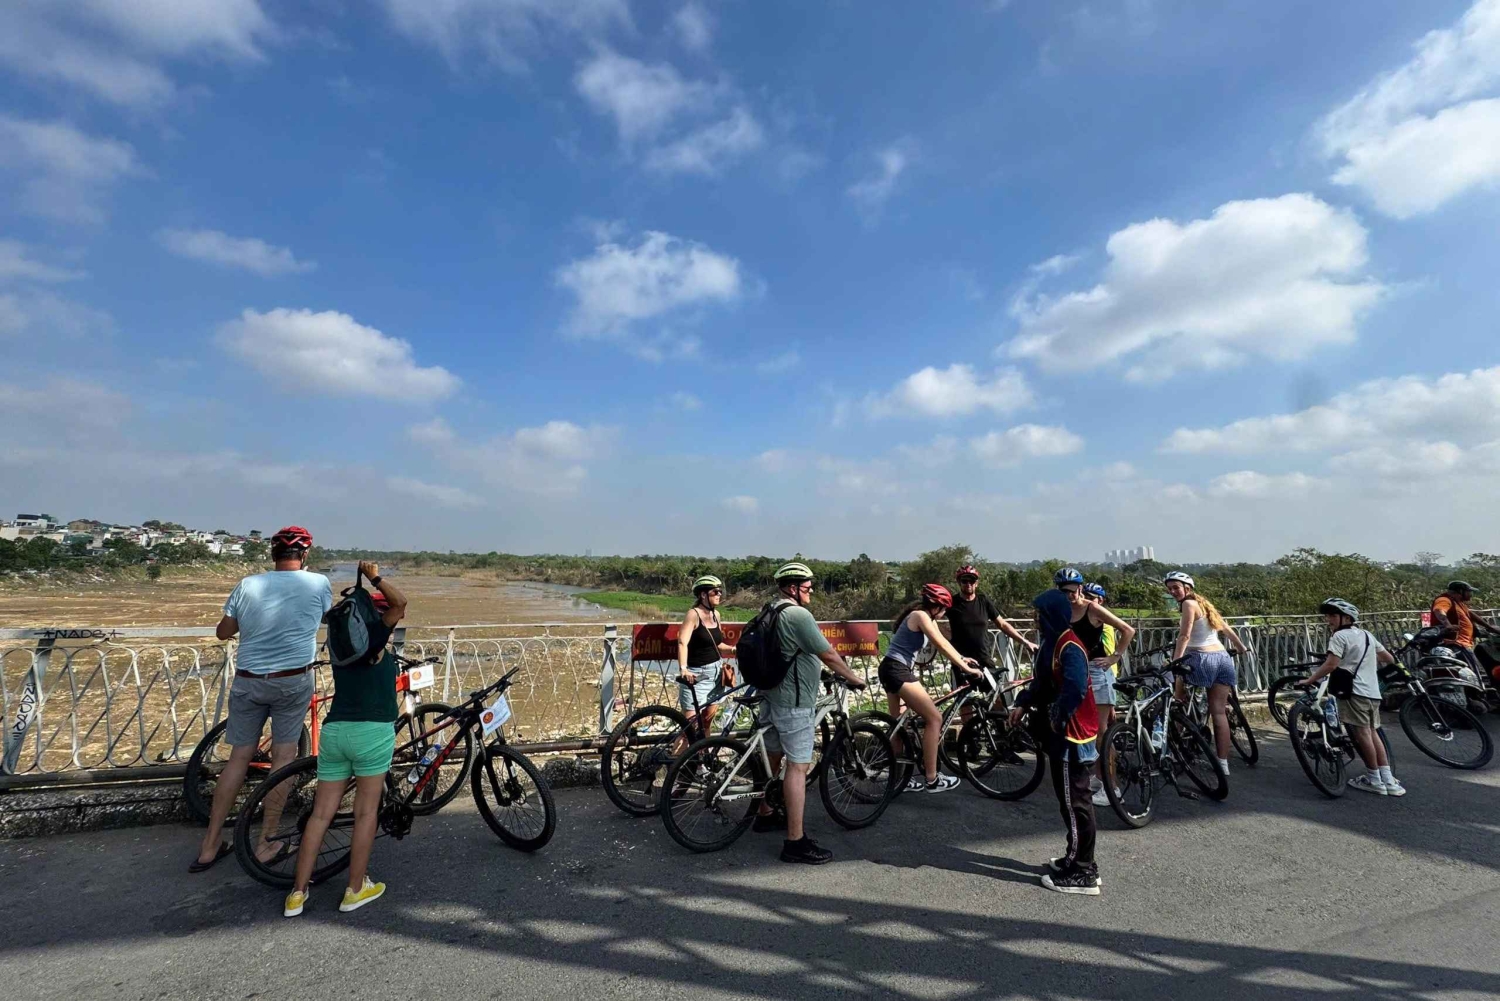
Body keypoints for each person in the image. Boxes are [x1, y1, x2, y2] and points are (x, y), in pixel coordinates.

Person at [192, 526, 332, 873]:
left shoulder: (248, 584)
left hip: (248, 680)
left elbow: (224, 631)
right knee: (283, 758)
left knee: (238, 759)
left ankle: (210, 844)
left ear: (273, 555)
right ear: (305, 555)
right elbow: (325, 618)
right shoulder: (317, 584)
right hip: (291, 681)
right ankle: (267, 841)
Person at [284, 562, 409, 916]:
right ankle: (355, 888)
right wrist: (375, 577)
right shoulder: (374, 639)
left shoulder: (342, 646)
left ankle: (297, 893)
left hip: (335, 730)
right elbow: (400, 604)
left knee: (320, 815)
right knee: (366, 813)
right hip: (372, 732)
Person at [752, 562, 869, 864]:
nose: (811, 591)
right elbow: (827, 653)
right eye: (807, 587)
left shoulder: (771, 609)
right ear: (792, 588)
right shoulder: (798, 614)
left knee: (774, 755)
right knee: (798, 767)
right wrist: (854, 678)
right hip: (794, 701)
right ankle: (795, 842)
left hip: (771, 694)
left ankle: (765, 812)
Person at [1011, 584, 1100, 895]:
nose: (1036, 620)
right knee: (1070, 800)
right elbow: (1043, 682)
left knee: (1076, 802)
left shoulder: (1069, 647)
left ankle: (1083, 872)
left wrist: (1057, 717)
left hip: (1072, 735)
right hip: (1064, 731)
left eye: (1040, 615)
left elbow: (1074, 688)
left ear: (1052, 616)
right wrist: (1024, 701)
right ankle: (1076, 857)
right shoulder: (1054, 643)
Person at [879, 583, 982, 793]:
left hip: (890, 667)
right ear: (936, 605)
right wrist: (965, 668)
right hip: (898, 670)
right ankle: (932, 778)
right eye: (943, 609)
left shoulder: (926, 617)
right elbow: (941, 645)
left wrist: (962, 658)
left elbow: (942, 640)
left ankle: (898, 780)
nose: (944, 614)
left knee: (899, 725)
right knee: (934, 718)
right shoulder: (920, 616)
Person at [1299, 598, 1404, 797]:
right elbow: (1388, 658)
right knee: (1373, 733)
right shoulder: (1366, 635)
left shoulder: (1339, 637)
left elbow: (1331, 664)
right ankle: (1388, 780)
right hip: (1373, 692)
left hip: (1354, 692)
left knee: (1363, 734)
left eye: (1332, 615)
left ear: (1346, 618)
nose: (1328, 619)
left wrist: (1310, 679)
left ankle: (1374, 779)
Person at [1164, 571, 1249, 777]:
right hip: (1222, 658)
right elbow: (1225, 628)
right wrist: (1240, 647)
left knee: (1179, 697)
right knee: (1218, 712)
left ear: (1187, 588)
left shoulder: (1188, 605)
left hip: (1201, 659)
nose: (1173, 592)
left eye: (1176, 587)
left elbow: (1184, 635)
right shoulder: (1204, 604)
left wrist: (1175, 662)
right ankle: (1222, 763)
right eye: (1170, 589)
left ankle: (1176, 747)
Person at [1074, 582, 1135, 806]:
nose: (1088, 599)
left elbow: (1125, 633)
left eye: (1093, 596)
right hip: (1086, 674)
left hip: (1101, 676)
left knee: (1102, 734)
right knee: (1096, 732)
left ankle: (1112, 785)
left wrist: (1114, 658)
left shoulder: (1103, 622)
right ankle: (1101, 778)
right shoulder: (1078, 613)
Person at [674, 575, 737, 746]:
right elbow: (682, 642)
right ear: (703, 595)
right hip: (697, 675)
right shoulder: (693, 615)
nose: (719, 595)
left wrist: (733, 650)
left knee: (707, 723)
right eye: (715, 592)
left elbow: (717, 644)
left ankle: (702, 764)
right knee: (690, 728)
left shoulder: (716, 614)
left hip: (716, 673)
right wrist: (683, 668)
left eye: (720, 591)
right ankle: (674, 767)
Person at [947, 564, 1037, 680]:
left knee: (996, 696)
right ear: (959, 582)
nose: (968, 584)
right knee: (963, 697)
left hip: (984, 658)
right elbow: (933, 620)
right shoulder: (952, 603)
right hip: (961, 659)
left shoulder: (983, 601)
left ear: (977, 583)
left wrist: (1025, 642)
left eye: (972, 580)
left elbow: (1002, 624)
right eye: (964, 581)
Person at [1430, 581, 1497, 680]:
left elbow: (1470, 615)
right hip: (1455, 644)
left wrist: (1490, 627)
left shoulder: (1458, 603)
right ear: (1460, 591)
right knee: (1471, 675)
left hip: (1464, 644)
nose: (1471, 595)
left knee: (1474, 673)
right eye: (1469, 591)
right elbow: (1439, 610)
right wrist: (1447, 625)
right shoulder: (1444, 600)